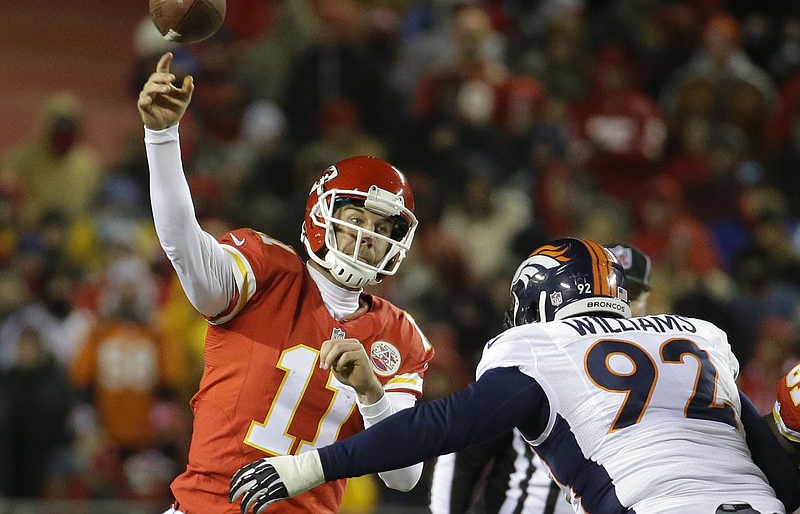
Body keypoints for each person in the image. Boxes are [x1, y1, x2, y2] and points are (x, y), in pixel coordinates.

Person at [229, 237, 800, 514]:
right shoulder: (700, 336)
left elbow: (440, 427)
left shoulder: (539, 347)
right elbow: (779, 474)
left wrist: (312, 465)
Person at [137, 52, 434, 514]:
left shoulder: (398, 334)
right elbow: (182, 245)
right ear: (323, 218)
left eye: (382, 228)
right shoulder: (268, 271)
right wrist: (162, 136)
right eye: (355, 218)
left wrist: (371, 392)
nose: (368, 237)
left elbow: (404, 475)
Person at [428, 243, 652, 514]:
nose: (620, 303)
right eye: (607, 293)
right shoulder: (531, 360)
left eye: (631, 294)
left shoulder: (668, 373)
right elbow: (462, 453)